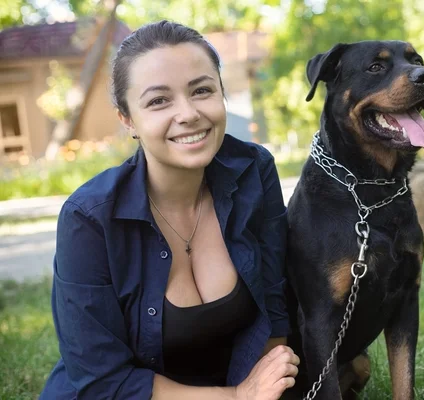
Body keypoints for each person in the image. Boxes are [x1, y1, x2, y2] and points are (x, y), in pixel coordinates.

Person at [40, 20, 299, 400]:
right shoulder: (88, 218)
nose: (189, 113)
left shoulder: (254, 172)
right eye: (159, 100)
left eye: (202, 90)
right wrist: (237, 396)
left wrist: (271, 382)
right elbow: (103, 380)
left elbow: (274, 302)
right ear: (128, 119)